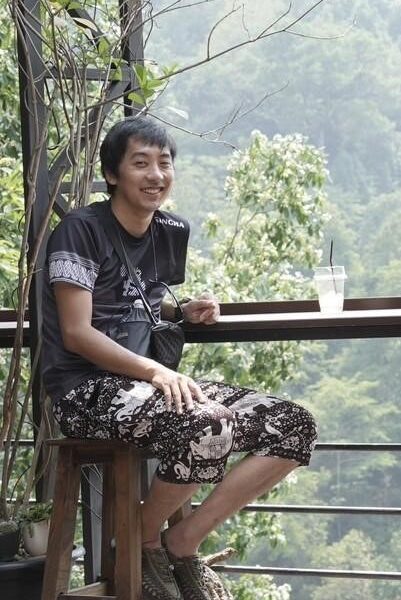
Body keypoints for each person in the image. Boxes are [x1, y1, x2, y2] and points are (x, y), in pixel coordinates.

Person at [42, 116, 317, 600]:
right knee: (208, 423)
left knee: (293, 425)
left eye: (164, 163)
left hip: (147, 384)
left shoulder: (171, 230)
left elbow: (137, 300)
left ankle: (180, 540)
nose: (156, 175)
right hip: (83, 390)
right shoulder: (80, 230)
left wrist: (181, 310)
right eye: (140, 163)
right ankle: (138, 542)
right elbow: (77, 332)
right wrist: (156, 370)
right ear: (112, 174)